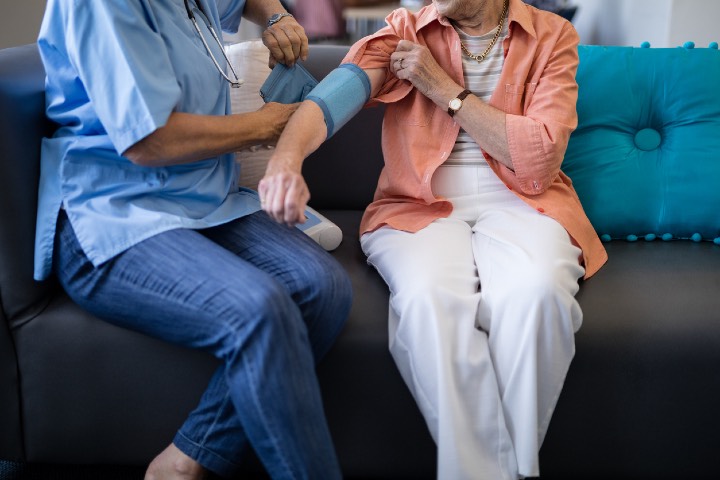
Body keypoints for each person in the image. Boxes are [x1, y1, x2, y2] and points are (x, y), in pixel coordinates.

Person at [258, 0, 607, 478]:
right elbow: (334, 98)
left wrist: (443, 89)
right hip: (417, 204)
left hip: (524, 199)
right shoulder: (406, 31)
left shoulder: (552, 35)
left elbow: (538, 160)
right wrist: (286, 160)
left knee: (538, 295)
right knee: (428, 302)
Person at [34, 0, 352, 479]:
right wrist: (268, 125)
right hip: (116, 211)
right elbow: (150, 141)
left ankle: (187, 459)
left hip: (204, 201)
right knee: (260, 311)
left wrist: (275, 15)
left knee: (322, 288)